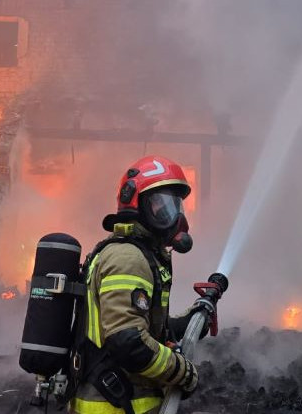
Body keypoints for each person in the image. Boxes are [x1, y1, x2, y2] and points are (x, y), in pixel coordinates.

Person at [71, 155, 206, 414]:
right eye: (162, 205)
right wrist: (183, 372)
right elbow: (129, 344)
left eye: (176, 205)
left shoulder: (140, 254)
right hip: (114, 405)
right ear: (136, 204)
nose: (174, 216)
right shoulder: (127, 258)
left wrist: (193, 319)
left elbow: (143, 327)